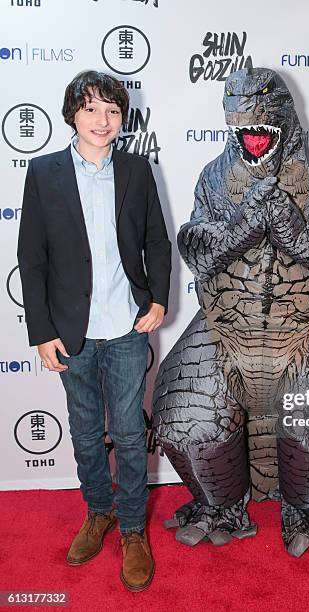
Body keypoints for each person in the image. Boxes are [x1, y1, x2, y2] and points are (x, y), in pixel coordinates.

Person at [17, 70, 171, 592]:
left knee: (129, 433)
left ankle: (132, 529)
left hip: (127, 325)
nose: (102, 120)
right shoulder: (43, 172)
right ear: (72, 116)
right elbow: (30, 259)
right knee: (84, 432)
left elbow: (156, 238)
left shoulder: (137, 169)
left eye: (111, 110)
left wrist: (158, 298)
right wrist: (41, 329)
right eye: (91, 109)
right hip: (70, 330)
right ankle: (98, 511)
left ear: (122, 117)